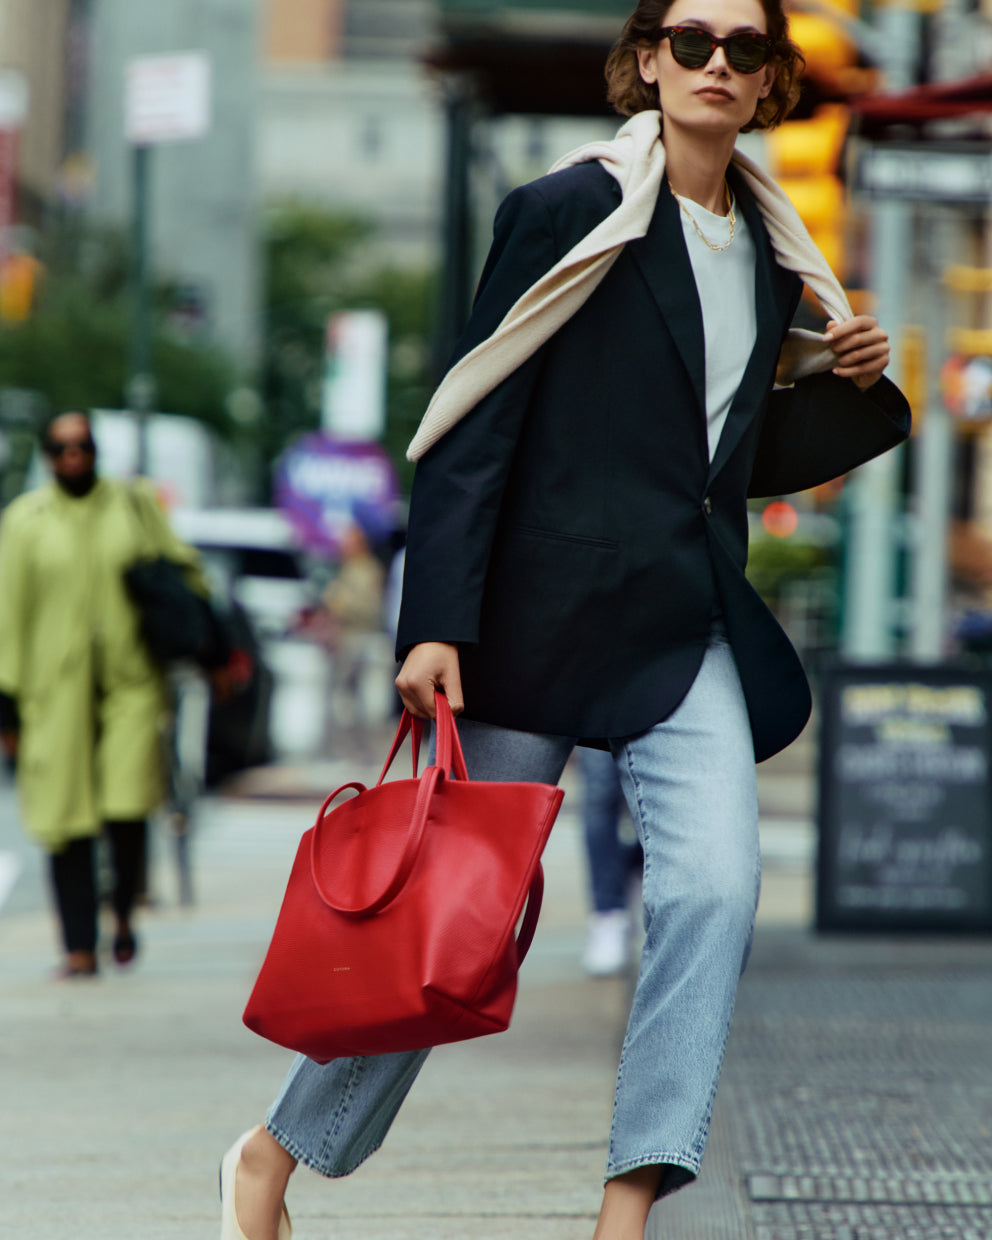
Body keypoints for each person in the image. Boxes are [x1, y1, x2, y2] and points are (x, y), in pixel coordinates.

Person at [218, 1, 911, 1236]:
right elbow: (474, 415)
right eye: (688, 41)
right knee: (454, 927)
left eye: (740, 49)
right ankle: (273, 1153)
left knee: (712, 890)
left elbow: (718, 454)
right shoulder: (562, 212)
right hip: (531, 624)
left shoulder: (765, 245)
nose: (712, 65)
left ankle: (627, 1203)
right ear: (645, 59)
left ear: (768, 84)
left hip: (680, 623)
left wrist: (844, 379)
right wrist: (433, 618)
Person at [0, 411, 211, 977]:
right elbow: (8, 615)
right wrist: (8, 700)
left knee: (125, 803)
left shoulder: (134, 506)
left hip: (131, 683)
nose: (73, 456)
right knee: (65, 817)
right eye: (61, 447)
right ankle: (77, 945)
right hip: (53, 693)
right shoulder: (26, 521)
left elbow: (186, 571)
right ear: (47, 455)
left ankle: (121, 917)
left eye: (82, 446)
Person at [577, 745, 643, 977]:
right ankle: (608, 913)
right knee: (600, 790)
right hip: (597, 709)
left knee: (659, 799)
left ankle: (635, 867)